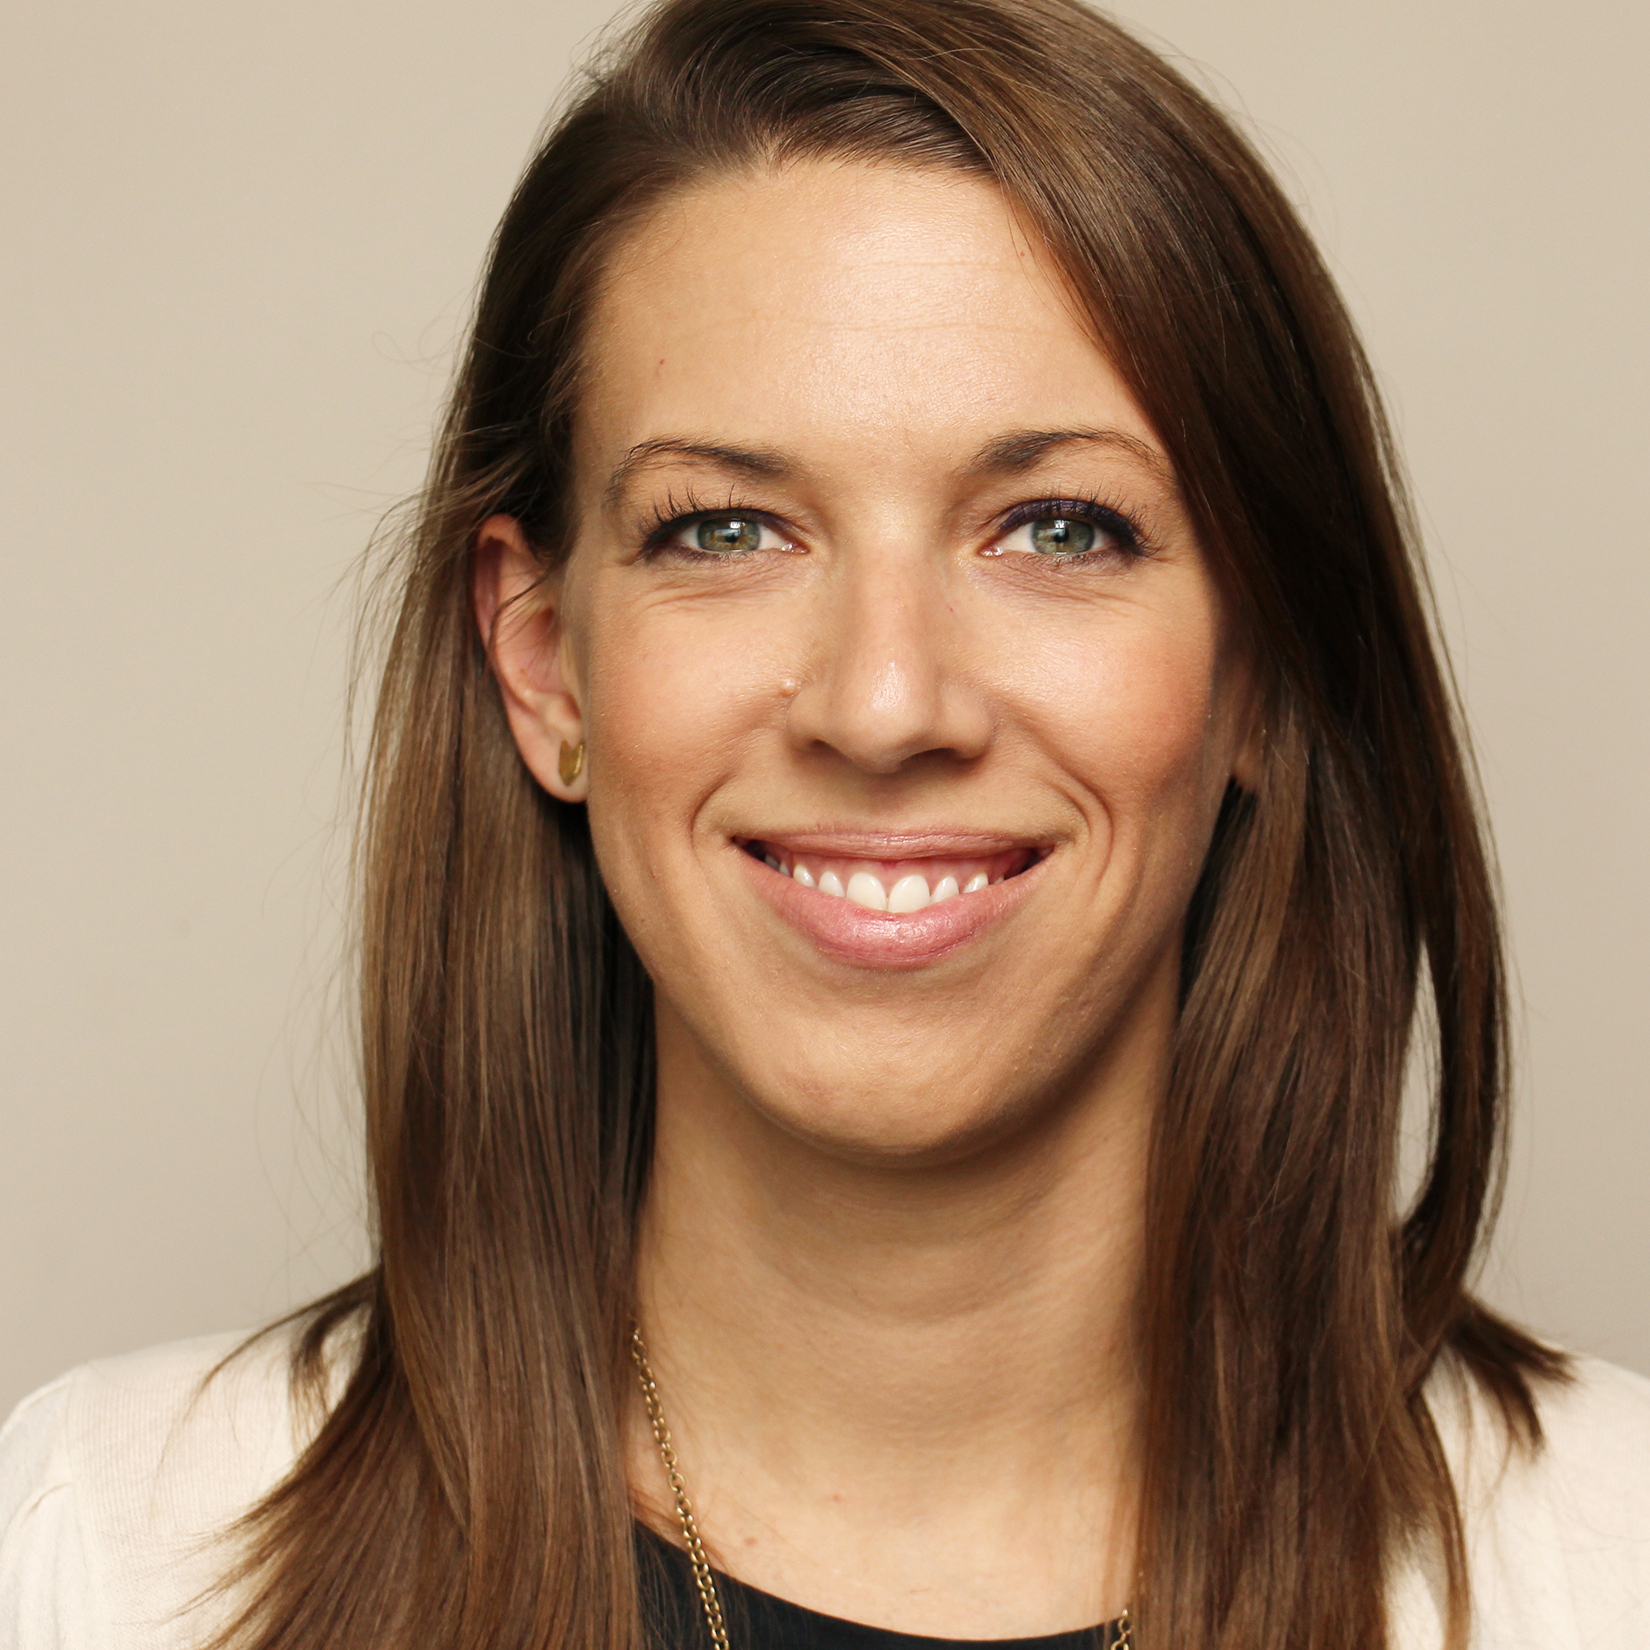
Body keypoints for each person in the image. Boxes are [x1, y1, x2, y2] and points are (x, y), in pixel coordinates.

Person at [3, 0, 1647, 1645]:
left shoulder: (1612, 1561)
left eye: (1057, 528)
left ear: (1259, 672)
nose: (881, 702)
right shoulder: (107, 1559)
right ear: (543, 662)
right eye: (727, 525)